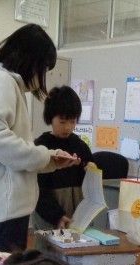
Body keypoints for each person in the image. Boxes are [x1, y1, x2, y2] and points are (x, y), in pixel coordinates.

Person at [0, 24, 81, 253]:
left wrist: (49, 159)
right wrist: (44, 156)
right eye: (44, 68)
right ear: (30, 60)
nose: (42, 77)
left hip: (5, 210)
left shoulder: (7, 84)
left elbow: (8, 143)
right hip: (1, 211)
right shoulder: (0, 82)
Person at [34, 86, 94, 230]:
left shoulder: (80, 146)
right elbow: (37, 190)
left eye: (72, 121)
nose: (68, 127)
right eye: (62, 122)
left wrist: (93, 169)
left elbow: (91, 177)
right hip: (48, 218)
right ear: (50, 118)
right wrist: (56, 216)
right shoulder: (41, 147)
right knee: (47, 244)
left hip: (76, 218)